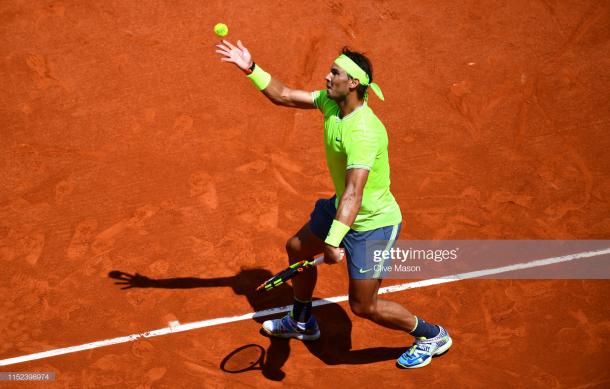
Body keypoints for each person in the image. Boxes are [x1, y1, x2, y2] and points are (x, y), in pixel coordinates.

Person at [215, 39, 452, 368]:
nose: (327, 77)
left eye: (334, 72)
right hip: (342, 208)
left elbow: (355, 192)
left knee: (364, 306)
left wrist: (333, 240)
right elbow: (284, 95)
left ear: (352, 83)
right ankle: (301, 321)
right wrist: (250, 68)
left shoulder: (364, 132)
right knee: (297, 248)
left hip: (373, 224)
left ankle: (432, 334)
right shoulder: (331, 103)